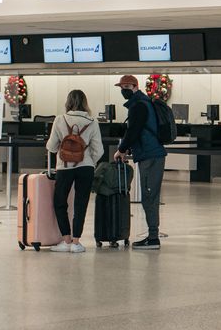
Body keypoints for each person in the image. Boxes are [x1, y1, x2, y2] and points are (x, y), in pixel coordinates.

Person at [44, 90, 105, 253]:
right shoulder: (93, 122)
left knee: (60, 202)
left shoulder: (60, 120)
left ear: (68, 102)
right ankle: (77, 243)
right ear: (85, 102)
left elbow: (50, 146)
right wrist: (89, 161)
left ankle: (66, 240)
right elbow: (99, 150)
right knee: (81, 203)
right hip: (86, 167)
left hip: (64, 167)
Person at [114, 74, 166, 250]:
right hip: (150, 153)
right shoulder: (142, 103)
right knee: (149, 196)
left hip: (150, 155)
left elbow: (134, 130)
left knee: (149, 196)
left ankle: (153, 238)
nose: (123, 91)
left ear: (135, 86)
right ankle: (152, 236)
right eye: (121, 88)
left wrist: (122, 150)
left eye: (126, 87)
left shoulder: (139, 105)